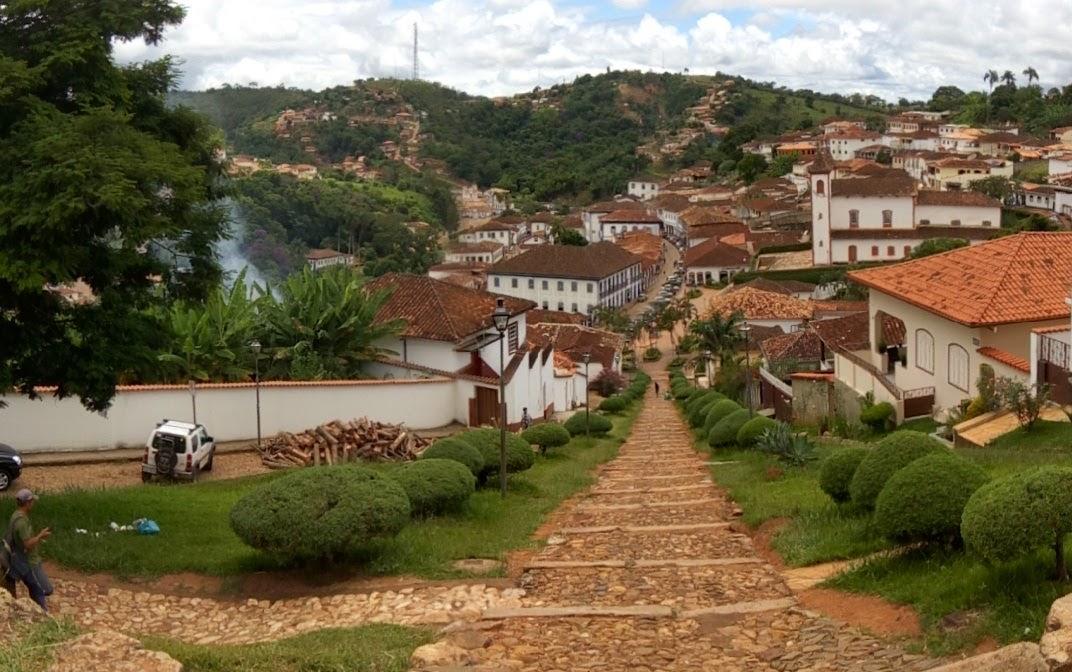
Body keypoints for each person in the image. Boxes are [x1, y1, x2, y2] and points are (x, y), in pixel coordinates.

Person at [3, 489, 53, 611]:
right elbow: (27, 545)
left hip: (23, 561)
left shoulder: (16, 515)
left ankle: (36, 608)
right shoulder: (21, 522)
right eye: (32, 501)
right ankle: (42, 614)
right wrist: (40, 536)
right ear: (27, 503)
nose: (33, 504)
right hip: (29, 562)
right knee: (44, 589)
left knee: (34, 587)